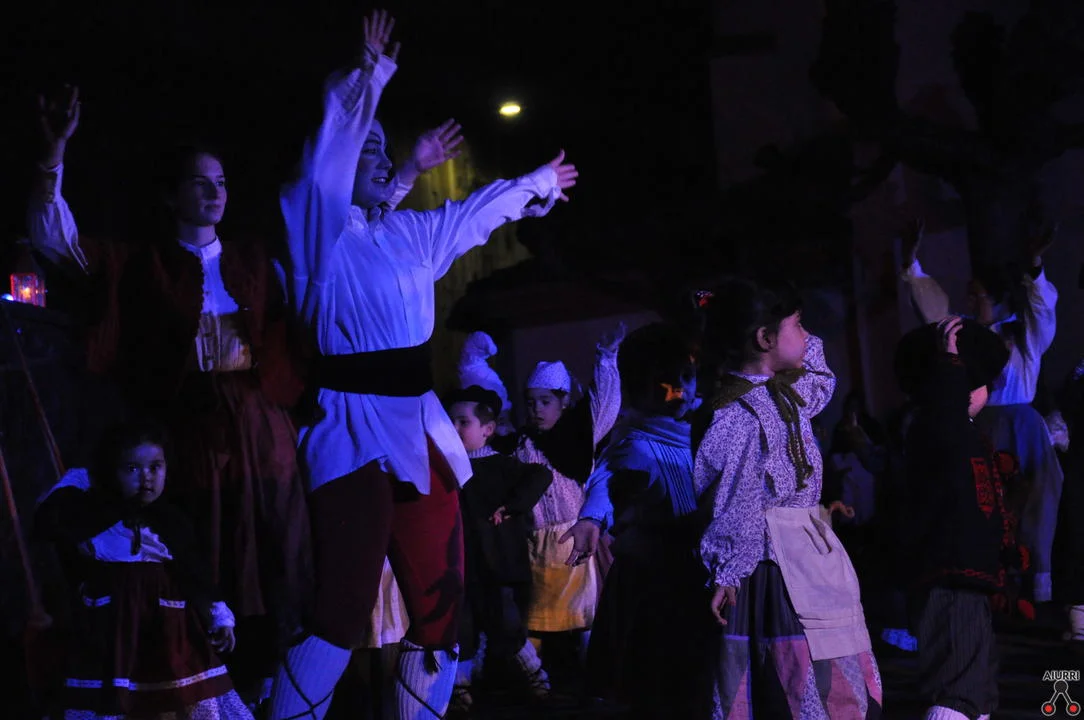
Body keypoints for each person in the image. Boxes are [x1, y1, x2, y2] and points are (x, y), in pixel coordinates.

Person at [268, 10, 579, 719]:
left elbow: (470, 217)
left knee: (441, 609)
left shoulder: (406, 233)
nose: (384, 160)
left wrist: (535, 181)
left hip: (419, 425)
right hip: (350, 430)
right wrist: (369, 78)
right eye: (368, 150)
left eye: (387, 150)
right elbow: (326, 161)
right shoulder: (314, 233)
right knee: (341, 612)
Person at [27, 86, 311, 705]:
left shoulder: (253, 258)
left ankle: (275, 679)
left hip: (259, 423)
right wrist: (53, 155)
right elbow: (55, 242)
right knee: (202, 545)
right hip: (188, 427)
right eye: (200, 182)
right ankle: (211, 681)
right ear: (170, 193)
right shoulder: (143, 263)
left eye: (222, 182)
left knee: (275, 540)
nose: (215, 192)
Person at [694, 277, 881, 717]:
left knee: (827, 651)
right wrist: (728, 570)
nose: (807, 334)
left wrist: (797, 335)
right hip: (770, 560)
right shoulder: (736, 414)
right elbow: (737, 501)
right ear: (765, 338)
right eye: (798, 325)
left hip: (805, 549)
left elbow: (819, 377)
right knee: (792, 672)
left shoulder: (786, 391)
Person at [34, 421, 252, 719]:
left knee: (176, 695)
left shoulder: (171, 522)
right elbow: (50, 519)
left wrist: (219, 615)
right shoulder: (93, 517)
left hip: (168, 628)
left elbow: (194, 573)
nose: (146, 477)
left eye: (155, 467)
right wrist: (84, 479)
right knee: (116, 699)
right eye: (132, 468)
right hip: (112, 628)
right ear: (112, 472)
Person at [901, 218, 1060, 603]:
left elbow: (1042, 310)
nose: (971, 302)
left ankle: (1035, 577)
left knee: (1039, 489)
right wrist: (913, 263)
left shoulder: (1020, 333)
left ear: (999, 299)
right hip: (981, 423)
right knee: (986, 497)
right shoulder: (967, 333)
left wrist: (1035, 265)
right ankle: (991, 577)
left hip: (1021, 423)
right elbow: (934, 314)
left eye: (978, 296)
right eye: (970, 296)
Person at [895, 317, 1026, 720]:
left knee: (976, 690)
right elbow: (946, 415)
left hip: (966, 578)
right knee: (956, 689)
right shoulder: (936, 424)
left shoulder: (960, 429)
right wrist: (950, 365)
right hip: (949, 577)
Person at [581, 321, 714, 719]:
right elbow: (606, 477)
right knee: (654, 677)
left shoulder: (702, 433)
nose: (679, 391)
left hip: (693, 572)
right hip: (652, 578)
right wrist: (592, 519)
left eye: (686, 378)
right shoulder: (634, 442)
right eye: (666, 382)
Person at [506, 324, 623, 679]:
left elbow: (604, 405)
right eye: (531, 402)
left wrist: (606, 359)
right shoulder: (521, 445)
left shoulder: (577, 438)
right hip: (536, 547)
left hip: (574, 544)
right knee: (534, 622)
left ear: (563, 401)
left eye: (545, 401)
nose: (537, 409)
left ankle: (595, 682)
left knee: (584, 618)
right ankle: (534, 685)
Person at [445, 385, 553, 712]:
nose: (455, 428)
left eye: (464, 422)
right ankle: (461, 690)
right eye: (451, 422)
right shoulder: (449, 467)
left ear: (488, 429)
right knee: (462, 628)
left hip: (495, 567)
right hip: (461, 566)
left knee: (506, 626)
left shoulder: (501, 466)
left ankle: (537, 682)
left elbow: (540, 475)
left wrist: (511, 507)